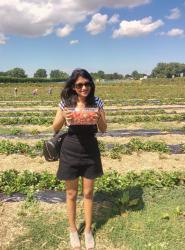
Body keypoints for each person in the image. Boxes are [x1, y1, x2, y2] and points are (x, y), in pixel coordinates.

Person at [52, 68, 107, 250]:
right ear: (74, 87)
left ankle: (88, 230)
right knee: (71, 194)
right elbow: (55, 127)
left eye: (87, 84)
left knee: (89, 193)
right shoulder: (65, 103)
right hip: (70, 149)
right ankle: (73, 230)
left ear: (91, 84)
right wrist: (64, 117)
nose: (84, 87)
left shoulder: (97, 101)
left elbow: (104, 129)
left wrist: (99, 118)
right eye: (79, 85)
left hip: (90, 149)